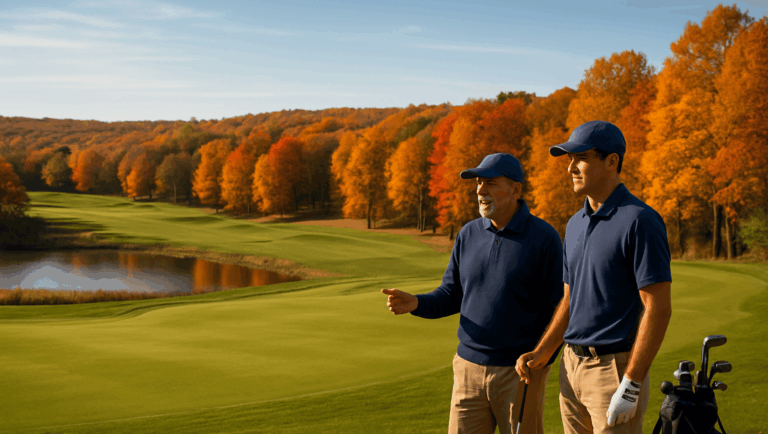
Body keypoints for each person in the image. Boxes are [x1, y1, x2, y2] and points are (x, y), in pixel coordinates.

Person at [382, 153, 563, 434]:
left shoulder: (544, 238)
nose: (480, 190)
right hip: (467, 369)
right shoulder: (468, 234)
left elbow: (560, 309)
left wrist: (542, 360)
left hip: (519, 374)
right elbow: (451, 294)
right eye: (478, 183)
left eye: (490, 183)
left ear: (516, 190)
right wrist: (417, 303)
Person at [515, 120, 673, 434]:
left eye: (581, 158)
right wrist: (544, 350)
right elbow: (571, 298)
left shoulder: (641, 221)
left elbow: (658, 308)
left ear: (611, 161)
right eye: (569, 160)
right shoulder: (574, 224)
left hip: (613, 370)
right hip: (570, 368)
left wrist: (631, 384)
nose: (571, 167)